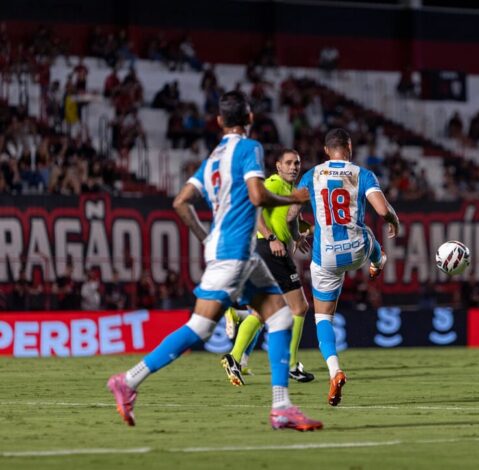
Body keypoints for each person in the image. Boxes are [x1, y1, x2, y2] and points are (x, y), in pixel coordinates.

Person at [106, 91, 321, 431]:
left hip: (228, 251)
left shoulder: (212, 159)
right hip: (235, 252)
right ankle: (129, 381)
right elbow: (257, 195)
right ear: (249, 119)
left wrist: (206, 239)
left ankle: (129, 382)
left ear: (219, 121)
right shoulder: (249, 148)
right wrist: (292, 197)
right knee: (207, 327)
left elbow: (180, 202)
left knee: (276, 315)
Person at [291, 128, 399, 406]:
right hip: (355, 250)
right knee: (368, 234)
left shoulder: (311, 175)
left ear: (327, 151)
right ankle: (378, 261)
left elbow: (291, 213)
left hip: (324, 256)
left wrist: (297, 235)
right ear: (349, 149)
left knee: (322, 319)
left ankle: (334, 371)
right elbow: (382, 210)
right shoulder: (362, 174)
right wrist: (394, 222)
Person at [221, 148, 316, 385]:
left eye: (297, 163)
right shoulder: (273, 183)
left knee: (265, 311)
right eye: (289, 163)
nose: (294, 167)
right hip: (268, 248)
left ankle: (234, 357)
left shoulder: (292, 191)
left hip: (273, 250)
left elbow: (290, 220)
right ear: (278, 166)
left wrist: (297, 237)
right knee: (299, 307)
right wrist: (272, 238)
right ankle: (292, 365)